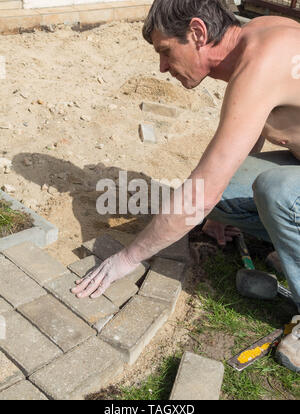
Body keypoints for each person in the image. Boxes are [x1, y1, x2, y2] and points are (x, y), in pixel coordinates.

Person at [72, 0, 300, 372]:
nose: (162, 67)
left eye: (165, 51)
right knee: (218, 197)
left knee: (276, 194)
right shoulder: (260, 34)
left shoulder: (261, 64)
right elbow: (243, 144)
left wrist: (127, 259)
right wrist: (209, 208)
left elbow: (198, 196)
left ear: (197, 33)